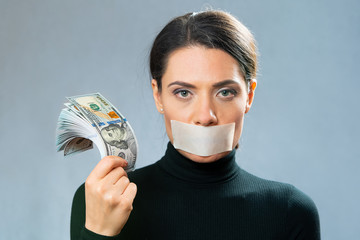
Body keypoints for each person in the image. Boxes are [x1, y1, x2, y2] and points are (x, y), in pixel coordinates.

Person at [70, 10, 320, 240]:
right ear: (158, 96)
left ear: (249, 96)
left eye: (225, 92)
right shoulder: (101, 200)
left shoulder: (290, 211)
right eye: (183, 93)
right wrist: (99, 233)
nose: (205, 116)